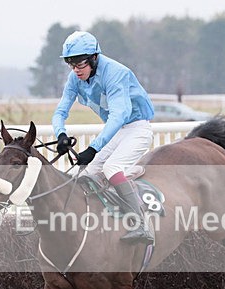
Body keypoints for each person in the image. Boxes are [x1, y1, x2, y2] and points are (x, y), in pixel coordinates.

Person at [53, 31, 155, 243]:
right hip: (118, 131)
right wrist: (60, 134)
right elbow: (60, 112)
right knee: (85, 175)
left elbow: (119, 116)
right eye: (71, 64)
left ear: (94, 58)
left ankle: (141, 224)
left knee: (111, 168)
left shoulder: (116, 73)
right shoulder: (75, 78)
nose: (75, 70)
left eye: (80, 64)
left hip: (137, 128)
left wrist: (93, 149)